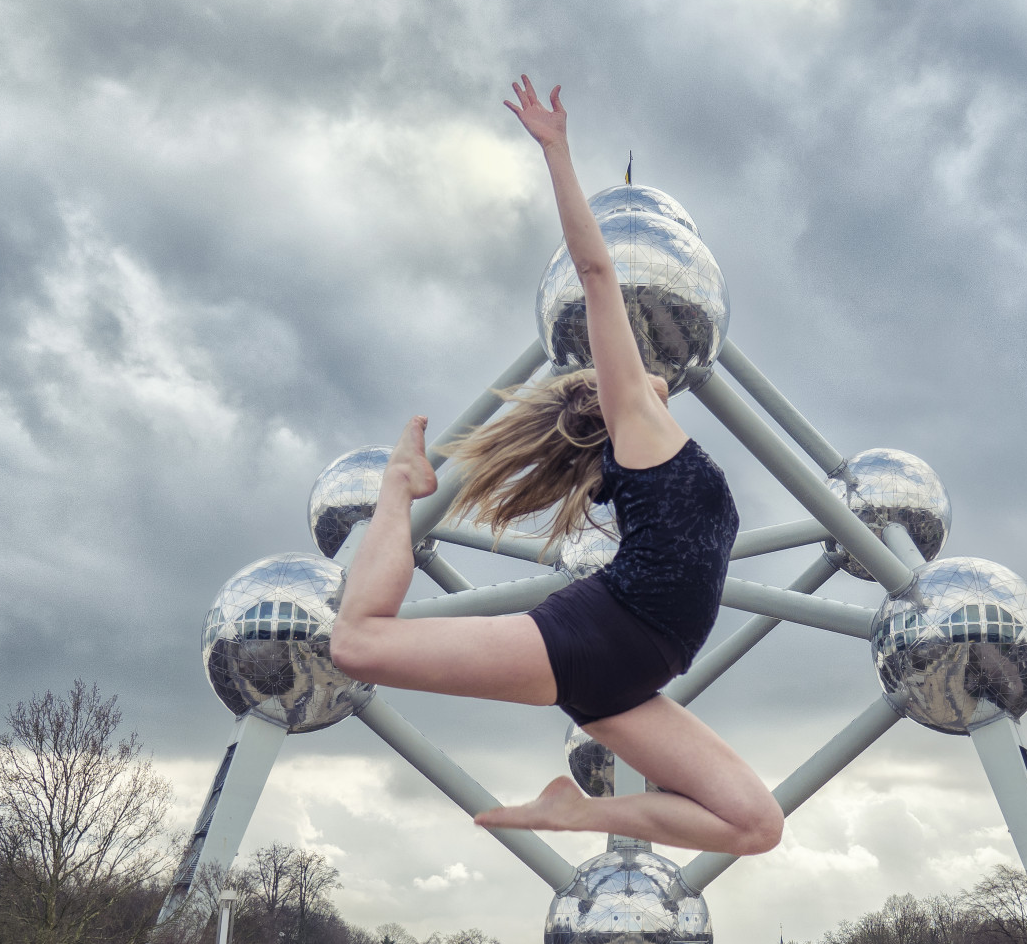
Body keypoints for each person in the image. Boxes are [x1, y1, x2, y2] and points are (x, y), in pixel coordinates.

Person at [328, 75, 783, 859]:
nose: (646, 370)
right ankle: (399, 488)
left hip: (632, 676)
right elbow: (598, 273)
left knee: (757, 825)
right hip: (596, 641)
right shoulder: (634, 422)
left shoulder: (644, 431)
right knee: (356, 646)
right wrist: (558, 152)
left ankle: (576, 812)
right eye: (628, 368)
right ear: (611, 392)